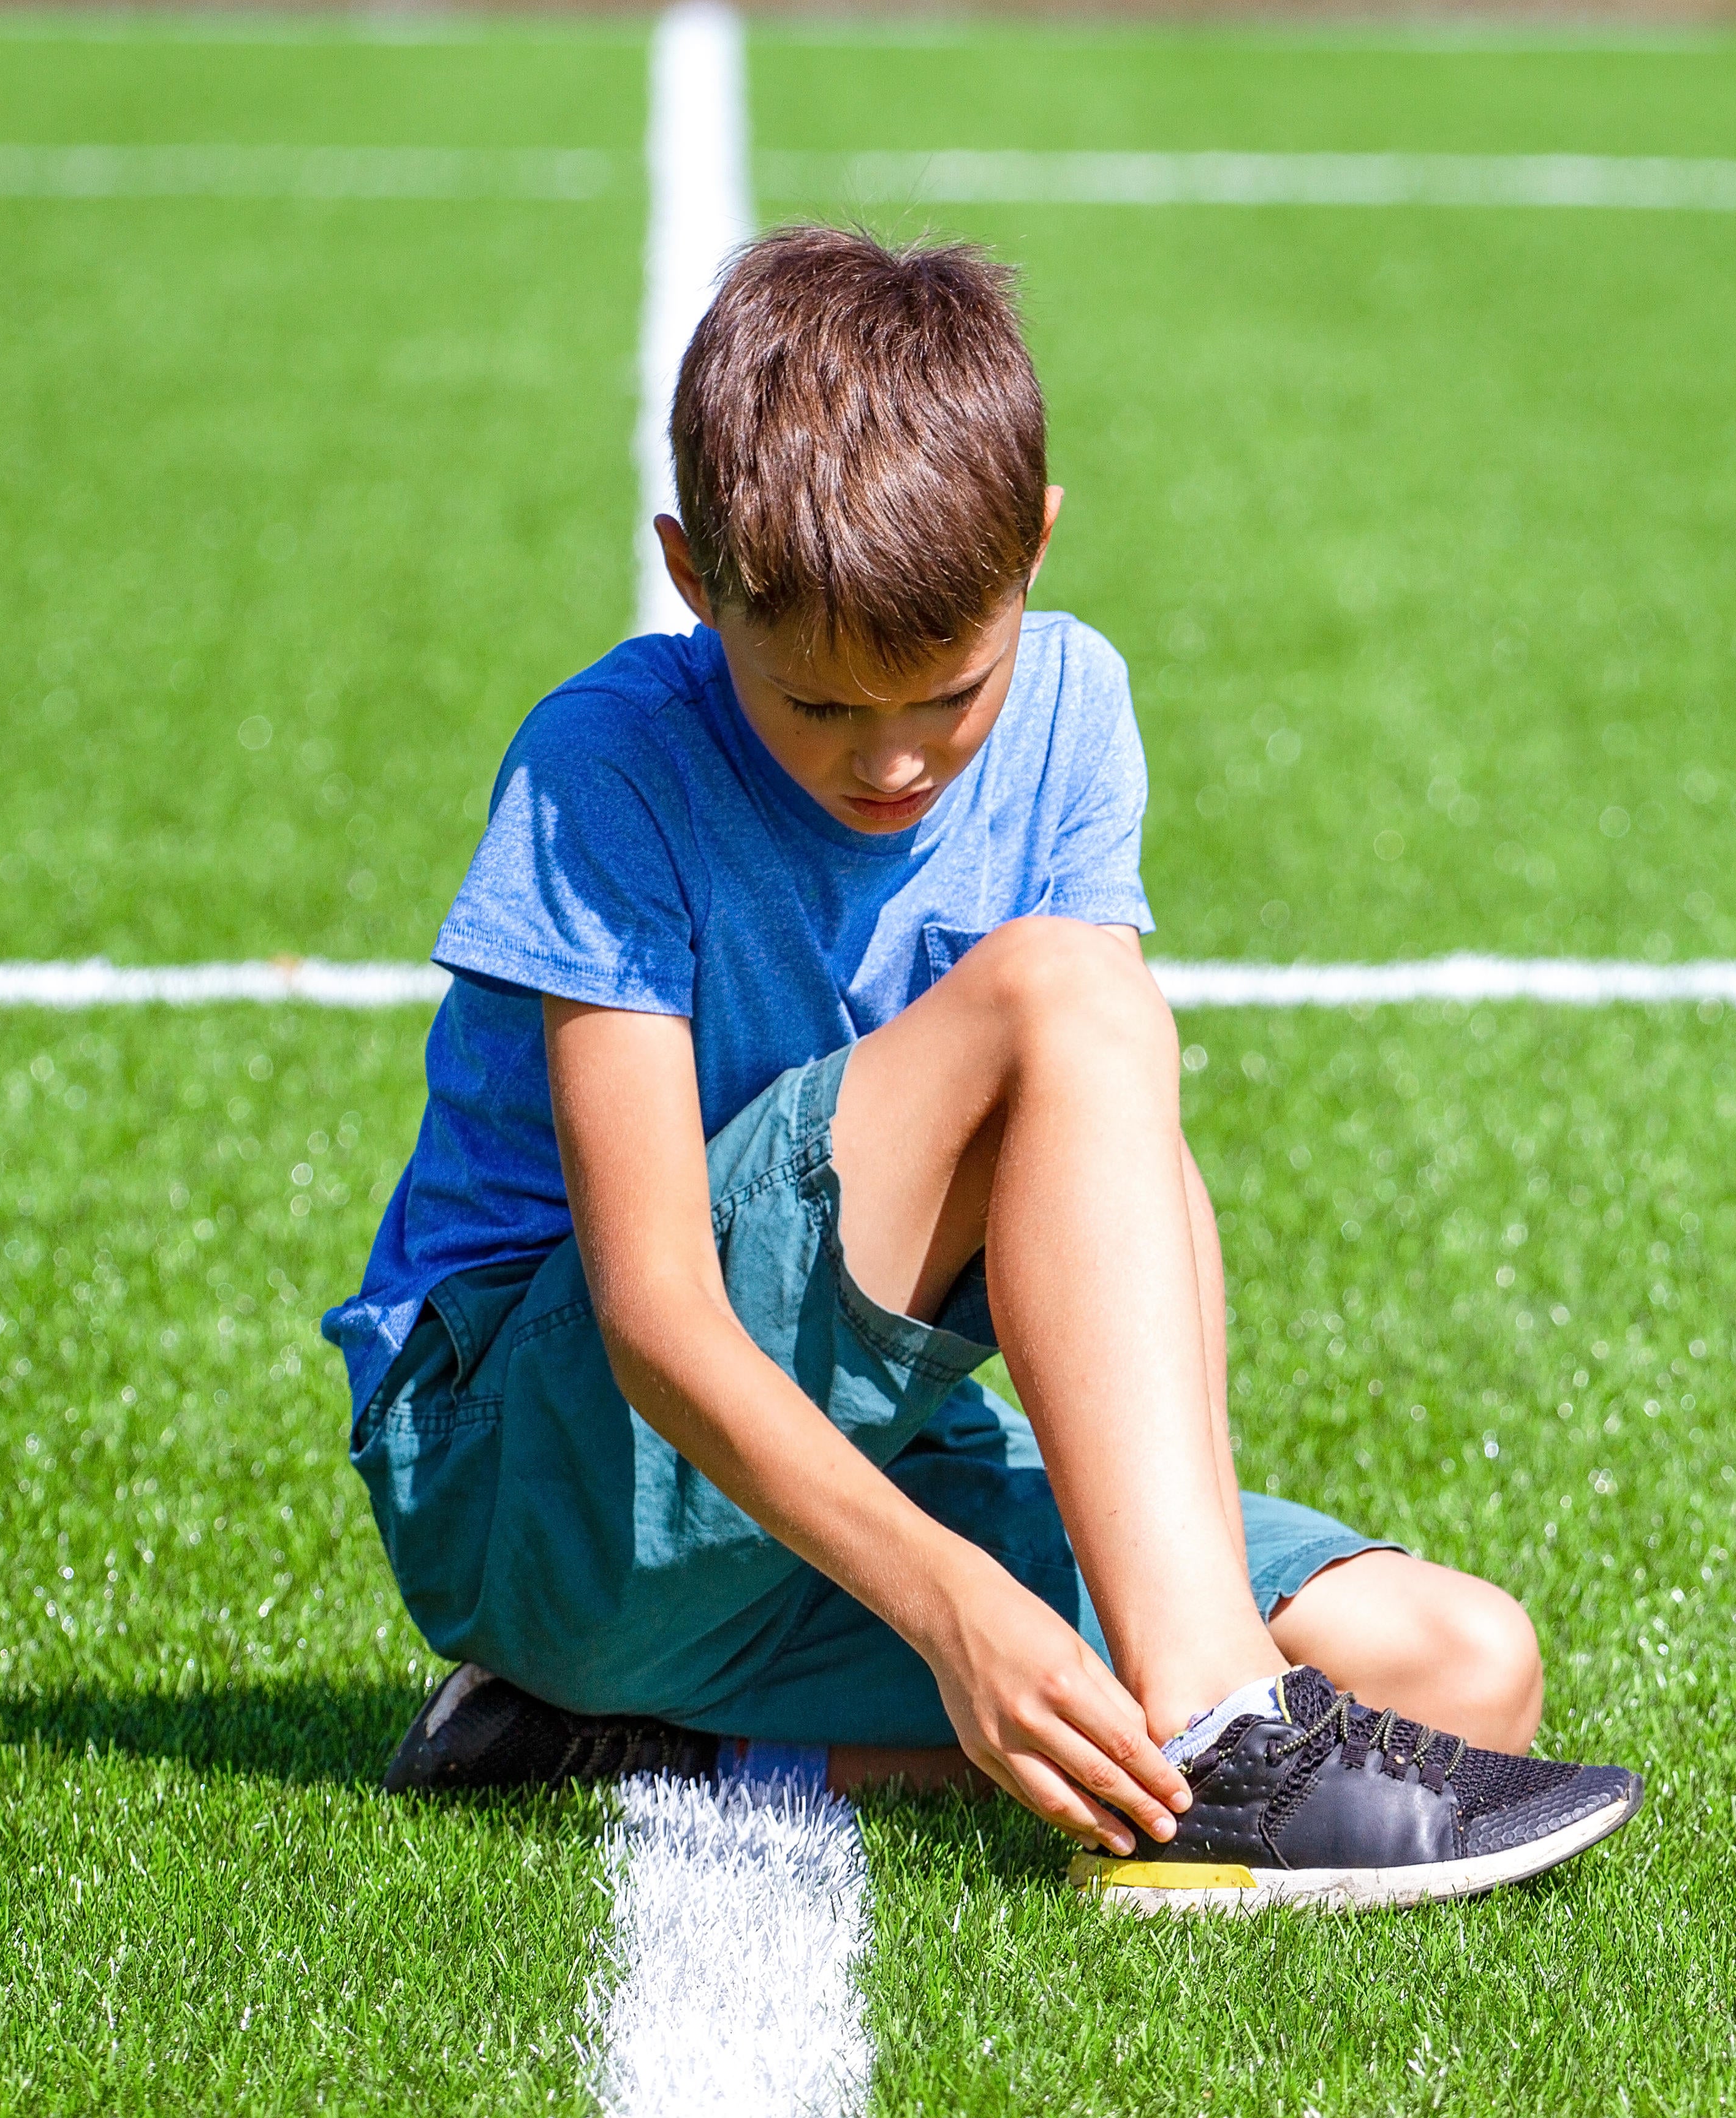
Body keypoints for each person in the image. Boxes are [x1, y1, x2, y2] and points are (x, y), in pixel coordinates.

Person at [322, 226, 1640, 1911]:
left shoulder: (1080, 704)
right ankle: (1218, 1731)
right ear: (688, 573)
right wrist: (957, 1602)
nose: (888, 760)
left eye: (949, 696)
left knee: (1463, 1668)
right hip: (544, 1481)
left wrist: (1154, 1572)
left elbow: (1121, 1168)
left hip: (828, 1464)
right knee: (1063, 997)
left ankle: (622, 1742)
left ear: (1036, 544)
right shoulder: (604, 761)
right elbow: (654, 1318)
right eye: (809, 705)